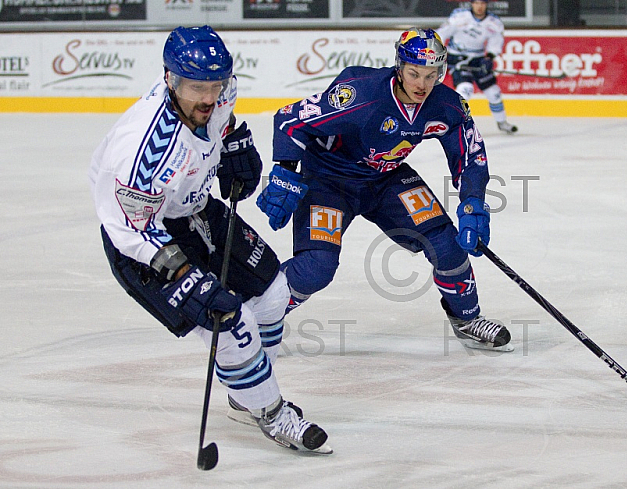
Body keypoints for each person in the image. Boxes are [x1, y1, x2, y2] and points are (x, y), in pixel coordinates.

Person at [88, 26, 330, 454]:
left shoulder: (220, 93)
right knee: (230, 322)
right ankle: (271, 412)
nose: (208, 97)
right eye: (196, 87)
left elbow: (222, 121)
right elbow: (129, 228)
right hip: (147, 240)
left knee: (273, 293)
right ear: (169, 79)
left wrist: (234, 142)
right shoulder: (140, 151)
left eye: (215, 86)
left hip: (197, 210)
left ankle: (247, 391)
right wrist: (184, 272)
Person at [257, 28, 512, 352]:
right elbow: (290, 121)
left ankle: (467, 319)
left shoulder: (446, 106)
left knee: (447, 244)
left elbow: (470, 154)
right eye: (414, 73)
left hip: (385, 179)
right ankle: (257, 317)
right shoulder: (361, 94)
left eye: (432, 75)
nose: (422, 83)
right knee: (316, 268)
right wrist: (284, 172)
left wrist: (473, 200)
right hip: (328, 181)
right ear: (399, 66)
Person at [437, 0, 518, 134]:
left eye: (482, 3)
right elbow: (442, 33)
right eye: (476, 3)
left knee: (494, 92)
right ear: (472, 4)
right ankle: (454, 122)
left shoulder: (494, 22)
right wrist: (440, 51)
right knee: (465, 89)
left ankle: (502, 122)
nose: (479, 7)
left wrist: (489, 58)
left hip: (478, 59)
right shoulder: (460, 16)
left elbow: (495, 43)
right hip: (458, 58)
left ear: (486, 4)